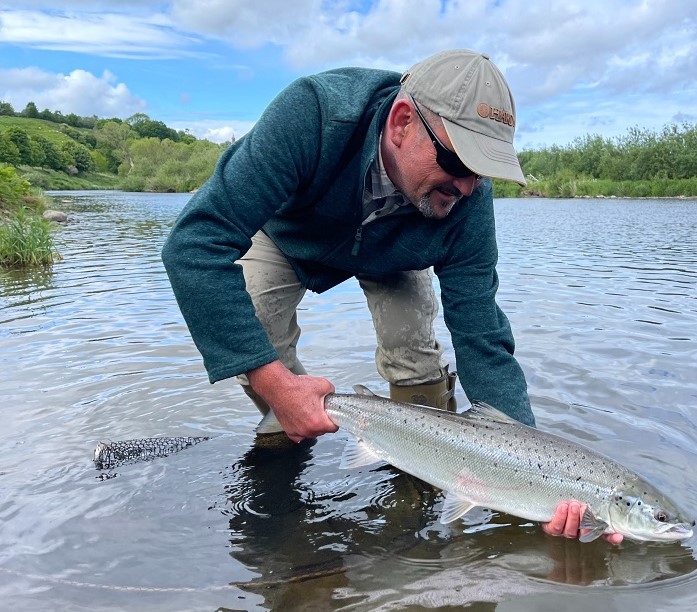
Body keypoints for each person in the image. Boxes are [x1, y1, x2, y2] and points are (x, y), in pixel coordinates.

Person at [161, 49, 622, 545]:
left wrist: (533, 469)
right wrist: (272, 379)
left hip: (396, 252)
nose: (466, 187)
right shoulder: (314, 114)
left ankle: (422, 480)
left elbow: (481, 334)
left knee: (414, 353)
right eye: (457, 161)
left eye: (481, 171)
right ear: (401, 123)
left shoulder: (464, 201)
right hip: (290, 236)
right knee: (257, 324)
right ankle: (286, 432)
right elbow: (195, 244)